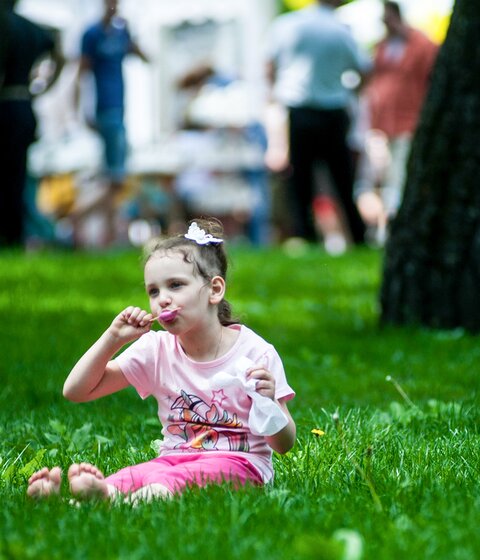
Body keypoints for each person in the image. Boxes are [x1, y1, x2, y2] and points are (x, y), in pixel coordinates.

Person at [27, 219, 296, 503]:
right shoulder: (156, 349)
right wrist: (113, 338)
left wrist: (267, 401)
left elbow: (283, 444)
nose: (162, 299)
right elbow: (76, 391)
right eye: (153, 291)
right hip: (171, 460)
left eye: (175, 285)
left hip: (239, 464)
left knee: (170, 480)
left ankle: (116, 500)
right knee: (137, 475)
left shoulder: (256, 353)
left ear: (215, 290)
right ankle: (82, 500)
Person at [266, 0, 371, 246]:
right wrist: (351, 93)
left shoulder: (287, 25)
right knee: (343, 179)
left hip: (299, 111)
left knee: (299, 180)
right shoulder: (341, 29)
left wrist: (274, 97)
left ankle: (303, 235)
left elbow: (269, 66)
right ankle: (357, 235)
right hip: (333, 111)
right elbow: (365, 68)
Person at [354, 0, 438, 237]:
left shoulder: (422, 45)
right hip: (380, 124)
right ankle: (379, 229)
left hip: (408, 123)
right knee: (375, 179)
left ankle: (393, 231)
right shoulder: (381, 47)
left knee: (398, 177)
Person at [75, 0, 149, 246]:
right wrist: (83, 109)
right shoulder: (92, 34)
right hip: (105, 110)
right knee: (116, 177)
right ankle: (78, 215)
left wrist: (132, 32)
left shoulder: (121, 32)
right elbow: (81, 72)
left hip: (119, 109)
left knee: (112, 178)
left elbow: (145, 57)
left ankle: (107, 235)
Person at [0, 0, 64, 247]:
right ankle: (14, 235)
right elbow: (60, 55)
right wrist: (43, 87)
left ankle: (8, 235)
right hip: (24, 104)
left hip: (5, 104)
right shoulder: (31, 28)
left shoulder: (5, 24)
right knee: (16, 176)